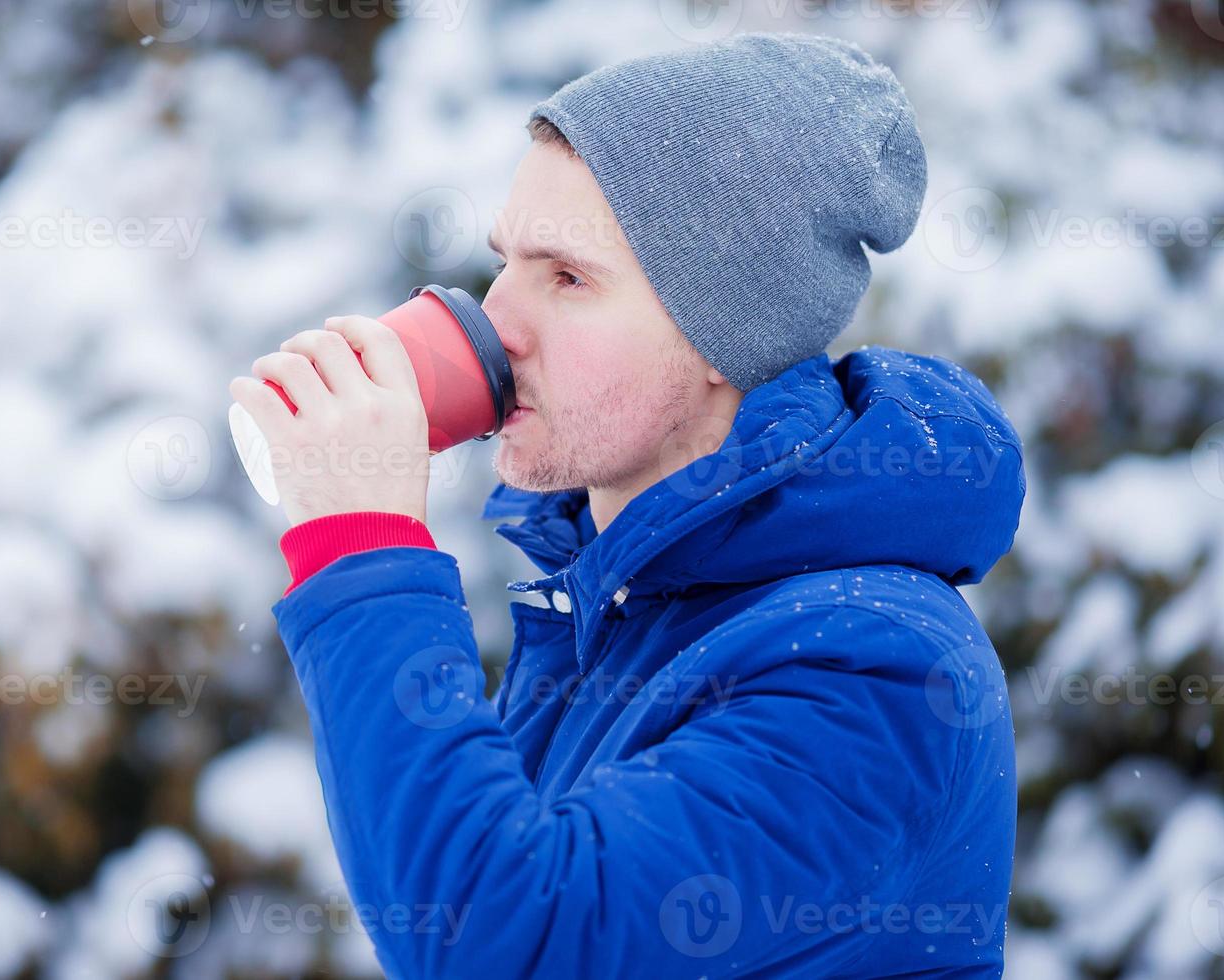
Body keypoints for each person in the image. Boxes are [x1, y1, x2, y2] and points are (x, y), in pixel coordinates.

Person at [230, 31, 1024, 979]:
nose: (498, 320)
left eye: (567, 277)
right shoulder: (617, 607)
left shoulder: (878, 671)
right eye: (507, 263)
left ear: (727, 336)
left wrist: (364, 552)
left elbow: (505, 943)